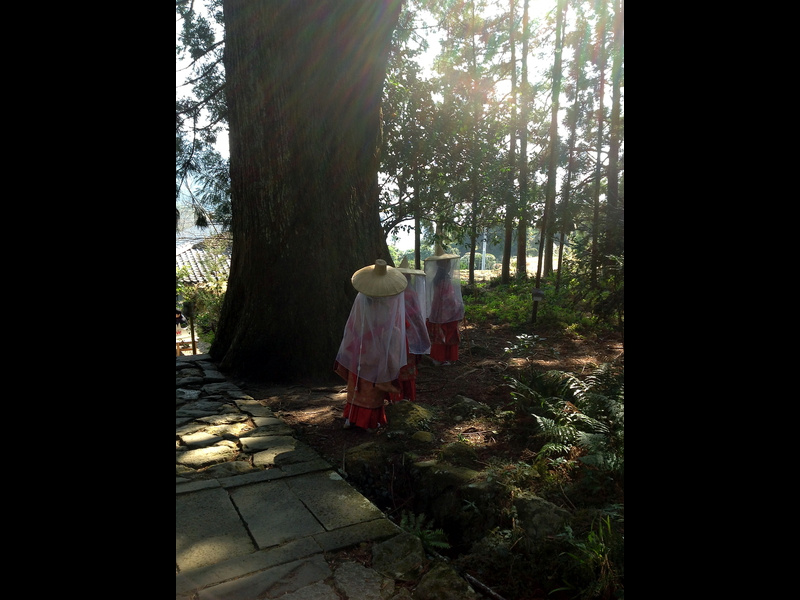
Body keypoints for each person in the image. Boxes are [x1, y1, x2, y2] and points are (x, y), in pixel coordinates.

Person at [334, 259, 408, 431]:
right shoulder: (384, 304)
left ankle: (352, 418)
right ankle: (367, 421)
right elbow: (387, 326)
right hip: (375, 351)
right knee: (370, 386)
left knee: (358, 385)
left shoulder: (363, 301)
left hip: (360, 349)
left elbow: (355, 326)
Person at [390, 256, 431, 402]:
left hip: (396, 333)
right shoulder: (411, 293)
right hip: (410, 334)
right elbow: (417, 314)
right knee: (408, 364)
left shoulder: (393, 293)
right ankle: (408, 397)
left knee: (396, 365)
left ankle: (397, 396)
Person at [424, 243, 464, 365]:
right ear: (443, 264)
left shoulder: (439, 277)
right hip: (446, 312)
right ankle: (440, 358)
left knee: (440, 334)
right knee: (445, 334)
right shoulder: (444, 278)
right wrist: (458, 306)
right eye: (447, 262)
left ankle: (440, 357)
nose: (449, 265)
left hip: (439, 310)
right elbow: (448, 297)